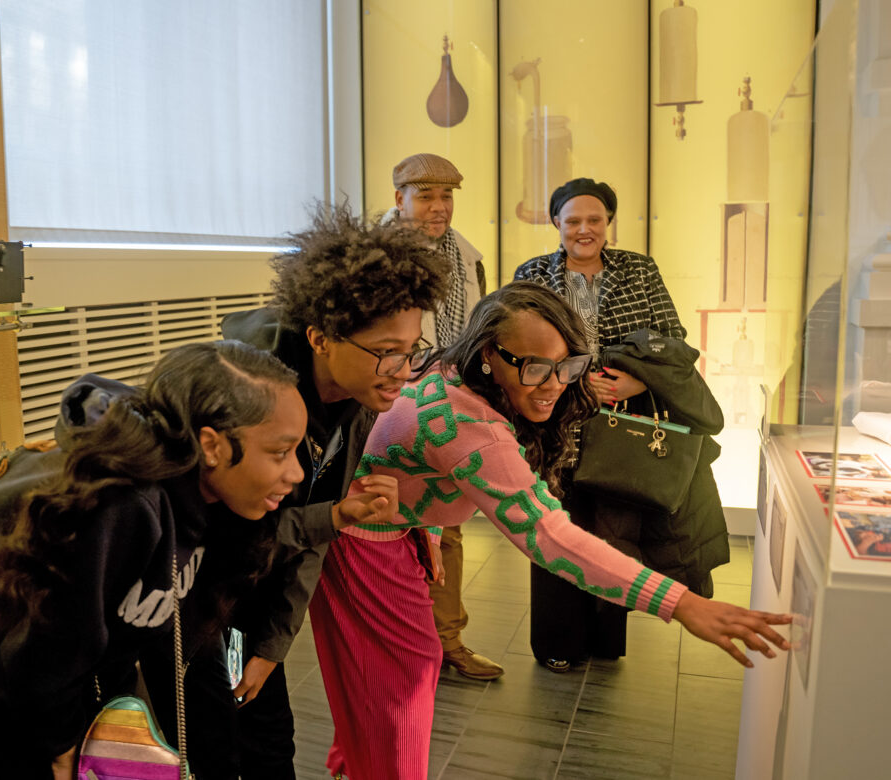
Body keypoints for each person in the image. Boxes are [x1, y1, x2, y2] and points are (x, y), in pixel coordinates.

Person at [308, 281, 791, 780]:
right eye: (535, 366)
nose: (555, 383)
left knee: (383, 685)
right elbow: (550, 538)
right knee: (401, 696)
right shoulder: (471, 429)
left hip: (387, 534)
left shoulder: (454, 369)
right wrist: (682, 603)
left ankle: (356, 765)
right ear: (490, 356)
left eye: (567, 365)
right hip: (366, 546)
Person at [0, 341, 309, 780]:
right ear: (212, 445)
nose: (297, 473)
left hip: (6, 675)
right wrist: (65, 749)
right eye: (280, 453)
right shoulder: (121, 503)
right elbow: (42, 663)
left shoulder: (200, 504)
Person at [216, 204, 451, 779]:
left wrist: (271, 646)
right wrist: (336, 516)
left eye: (412, 350)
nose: (401, 370)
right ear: (321, 337)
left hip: (249, 599)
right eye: (385, 351)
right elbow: (237, 538)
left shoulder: (356, 400)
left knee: (271, 748)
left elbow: (312, 534)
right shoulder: (253, 402)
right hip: (202, 601)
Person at [513, 177, 730, 672]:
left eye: (594, 220)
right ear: (556, 224)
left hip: (624, 424)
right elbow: (516, 344)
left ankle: (605, 639)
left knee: (613, 531)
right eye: (573, 221)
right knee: (556, 529)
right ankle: (559, 644)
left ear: (609, 222)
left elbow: (672, 337)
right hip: (555, 423)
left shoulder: (639, 268)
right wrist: (575, 384)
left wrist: (634, 381)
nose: (584, 230)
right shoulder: (533, 273)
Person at [384, 151, 502, 680]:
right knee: (383, 526)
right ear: (398, 199)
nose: (440, 206)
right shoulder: (372, 256)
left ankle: (446, 641)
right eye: (426, 195)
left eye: (447, 195)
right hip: (386, 404)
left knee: (446, 520)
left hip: (446, 396)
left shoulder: (465, 257)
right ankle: (398, 643)